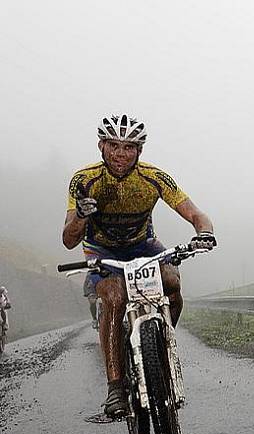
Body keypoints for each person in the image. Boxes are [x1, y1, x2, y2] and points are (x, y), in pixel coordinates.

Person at [62, 114, 217, 418]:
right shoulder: (84, 180)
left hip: (143, 245)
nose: (121, 154)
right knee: (115, 298)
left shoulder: (154, 177)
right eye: (114, 146)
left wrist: (205, 233)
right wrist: (80, 215)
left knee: (172, 281)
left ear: (140, 151)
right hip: (102, 248)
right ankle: (116, 388)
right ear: (101, 146)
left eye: (129, 147)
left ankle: (159, 344)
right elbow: (69, 239)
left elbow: (196, 214)